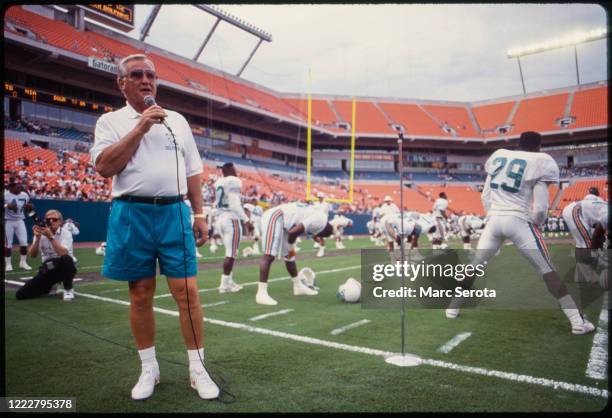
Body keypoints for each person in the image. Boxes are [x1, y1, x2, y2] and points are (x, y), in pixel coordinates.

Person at [90, 53, 218, 401]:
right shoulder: (110, 122)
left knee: (187, 293)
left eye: (150, 75)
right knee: (141, 293)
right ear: (121, 82)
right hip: (133, 212)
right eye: (136, 75)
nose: (146, 80)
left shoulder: (177, 120)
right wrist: (142, 126)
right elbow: (104, 167)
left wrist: (200, 214)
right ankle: (149, 368)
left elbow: (193, 170)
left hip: (175, 212)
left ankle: (198, 368)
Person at [446, 131, 595, 335]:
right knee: (548, 271)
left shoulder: (499, 156)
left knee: (475, 267)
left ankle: (453, 308)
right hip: (519, 220)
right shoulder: (540, 162)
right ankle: (577, 322)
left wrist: (493, 216)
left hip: (494, 221)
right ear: (538, 147)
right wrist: (536, 224)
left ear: (519, 144)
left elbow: (485, 196)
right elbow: (541, 208)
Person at [256, 202, 333, 305]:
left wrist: (291, 247)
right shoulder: (320, 221)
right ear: (322, 231)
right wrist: (291, 243)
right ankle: (261, 293)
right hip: (275, 217)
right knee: (269, 256)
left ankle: (297, 286)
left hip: (285, 224)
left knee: (290, 257)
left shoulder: (320, 215)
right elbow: (293, 233)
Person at [16, 210, 76, 301]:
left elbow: (63, 253)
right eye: (48, 219)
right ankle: (49, 286)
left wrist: (50, 237)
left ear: (60, 221)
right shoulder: (41, 232)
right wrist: (37, 238)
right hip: (48, 268)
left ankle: (68, 289)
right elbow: (33, 255)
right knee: (21, 294)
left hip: (65, 268)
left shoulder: (66, 233)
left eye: (54, 219)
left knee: (66, 258)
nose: (51, 221)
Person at [213, 162, 252, 293]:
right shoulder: (234, 180)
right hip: (231, 219)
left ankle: (228, 281)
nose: (236, 171)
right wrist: (246, 220)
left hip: (221, 218)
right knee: (231, 254)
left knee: (229, 252)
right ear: (230, 170)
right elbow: (234, 204)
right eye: (234, 168)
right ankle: (224, 285)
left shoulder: (219, 182)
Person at [561, 191, 608, 286]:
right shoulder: (608, 214)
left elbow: (600, 235)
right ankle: (588, 276)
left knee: (582, 243)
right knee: (586, 243)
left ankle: (582, 274)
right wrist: (595, 252)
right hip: (575, 210)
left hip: (578, 211)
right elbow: (597, 235)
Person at [4, 182, 32, 272]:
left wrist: (30, 208)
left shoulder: (24, 195)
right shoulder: (5, 195)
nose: (20, 188)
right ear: (11, 188)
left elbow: (28, 207)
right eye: (17, 187)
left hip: (20, 221)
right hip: (8, 221)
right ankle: (8, 264)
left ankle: (23, 262)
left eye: (20, 186)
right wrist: (7, 205)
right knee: (8, 244)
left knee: (24, 242)